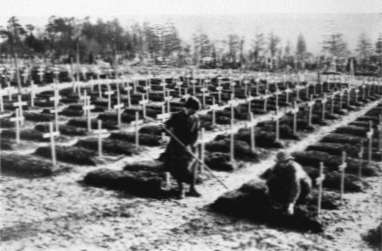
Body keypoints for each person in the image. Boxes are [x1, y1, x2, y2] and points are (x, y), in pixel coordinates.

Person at [162, 96, 202, 199]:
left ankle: (192, 189)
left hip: (191, 146)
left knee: (193, 167)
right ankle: (181, 189)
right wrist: (165, 128)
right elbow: (167, 126)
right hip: (177, 146)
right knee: (180, 167)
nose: (195, 112)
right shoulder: (177, 116)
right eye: (194, 110)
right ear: (188, 108)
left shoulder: (196, 118)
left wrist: (191, 145)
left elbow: (196, 133)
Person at [260, 151, 312, 215]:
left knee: (303, 185)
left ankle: (301, 199)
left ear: (289, 160)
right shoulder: (278, 166)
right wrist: (268, 190)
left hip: (302, 185)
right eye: (280, 162)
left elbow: (295, 187)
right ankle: (280, 198)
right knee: (274, 179)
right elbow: (270, 178)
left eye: (285, 161)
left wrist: (291, 205)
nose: (283, 164)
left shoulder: (294, 169)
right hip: (288, 182)